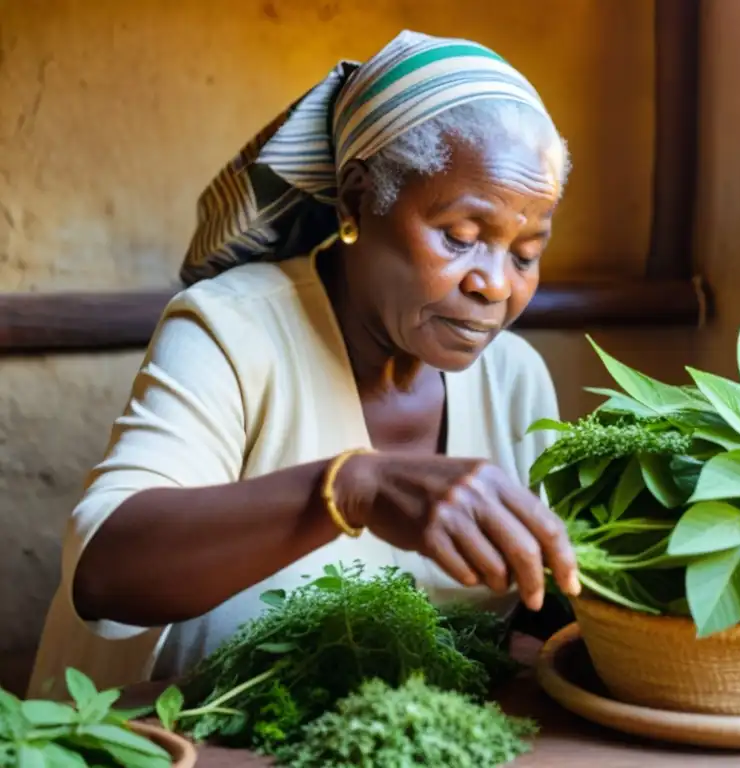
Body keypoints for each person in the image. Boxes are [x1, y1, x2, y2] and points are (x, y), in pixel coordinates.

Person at [28, 30, 580, 699]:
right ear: (355, 200)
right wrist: (354, 489)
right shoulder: (231, 331)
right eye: (461, 238)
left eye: (525, 253)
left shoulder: (514, 378)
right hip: (170, 739)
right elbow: (105, 570)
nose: (495, 284)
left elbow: (543, 600)